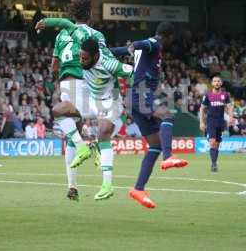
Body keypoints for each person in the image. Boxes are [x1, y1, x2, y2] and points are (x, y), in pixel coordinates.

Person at [35, 0, 107, 201]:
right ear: (90, 14)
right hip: (86, 81)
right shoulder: (95, 35)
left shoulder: (61, 35)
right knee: (101, 116)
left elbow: (54, 66)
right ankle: (94, 148)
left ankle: (72, 185)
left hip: (67, 85)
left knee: (70, 134)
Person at [110, 22, 188, 209]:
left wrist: (103, 50)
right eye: (171, 39)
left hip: (133, 98)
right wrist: (134, 45)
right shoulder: (156, 43)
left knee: (155, 144)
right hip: (140, 93)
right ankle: (169, 157)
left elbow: (119, 50)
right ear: (167, 36)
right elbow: (142, 44)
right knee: (167, 115)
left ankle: (138, 189)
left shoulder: (148, 49)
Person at [79, 38, 133, 200]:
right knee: (66, 109)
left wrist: (134, 93)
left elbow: (132, 71)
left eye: (85, 58)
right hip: (92, 98)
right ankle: (91, 147)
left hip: (110, 100)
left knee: (103, 132)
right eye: (81, 57)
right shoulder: (82, 55)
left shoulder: (110, 64)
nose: (82, 60)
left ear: (96, 56)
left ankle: (107, 185)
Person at [199, 76, 233, 172]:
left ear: (221, 83)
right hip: (211, 122)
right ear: (212, 83)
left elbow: (229, 106)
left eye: (218, 81)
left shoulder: (225, 95)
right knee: (212, 142)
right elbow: (202, 109)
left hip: (221, 121)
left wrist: (231, 117)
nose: (217, 82)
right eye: (215, 81)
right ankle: (213, 164)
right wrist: (201, 122)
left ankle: (214, 161)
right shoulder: (208, 95)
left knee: (217, 144)